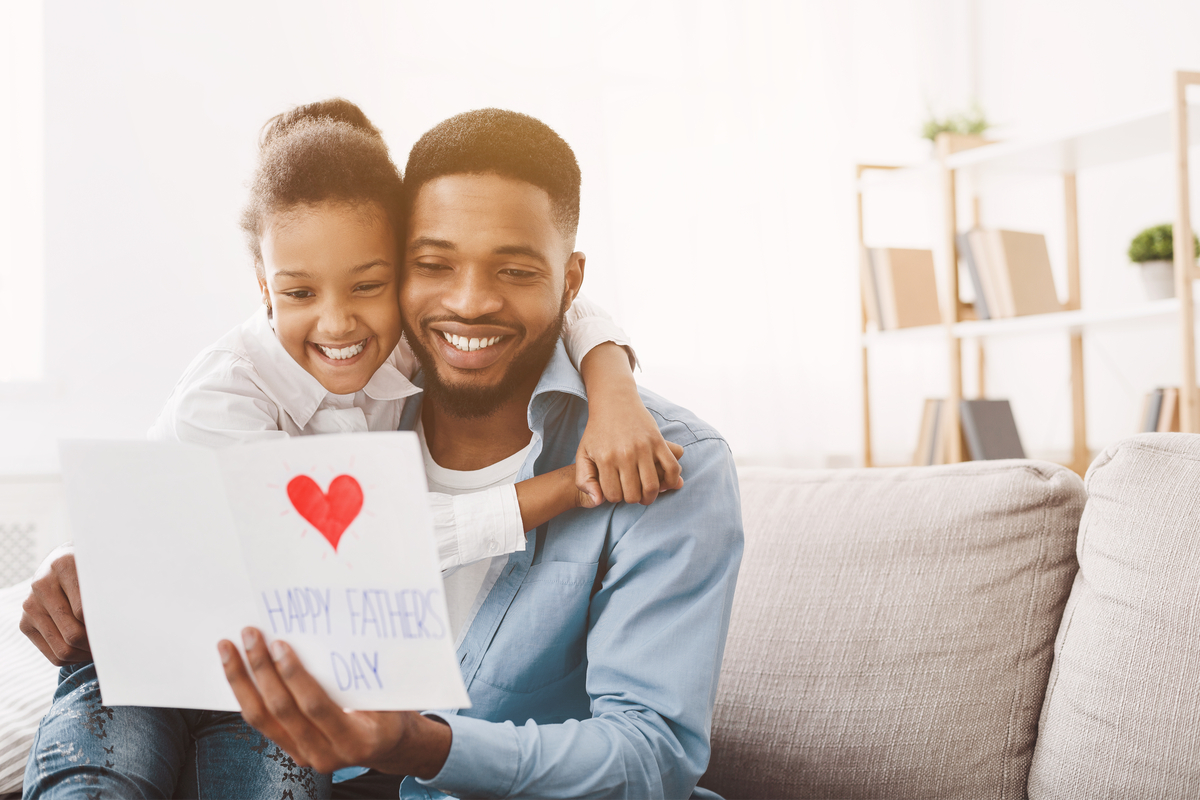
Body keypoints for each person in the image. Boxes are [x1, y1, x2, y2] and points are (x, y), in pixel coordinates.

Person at [19, 101, 682, 800]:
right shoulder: (223, 398)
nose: (338, 321)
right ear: (262, 282)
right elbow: (380, 544)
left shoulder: (406, 349)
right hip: (149, 655)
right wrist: (565, 486)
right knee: (93, 784)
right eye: (300, 291)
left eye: (368, 284)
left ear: (396, 273)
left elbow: (539, 293)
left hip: (279, 669)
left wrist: (612, 384)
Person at [221, 108, 744, 799]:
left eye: (516, 271)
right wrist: (94, 587)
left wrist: (425, 746)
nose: (469, 303)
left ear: (571, 280)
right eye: (433, 265)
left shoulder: (671, 462)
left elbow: (649, 758)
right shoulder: (339, 411)